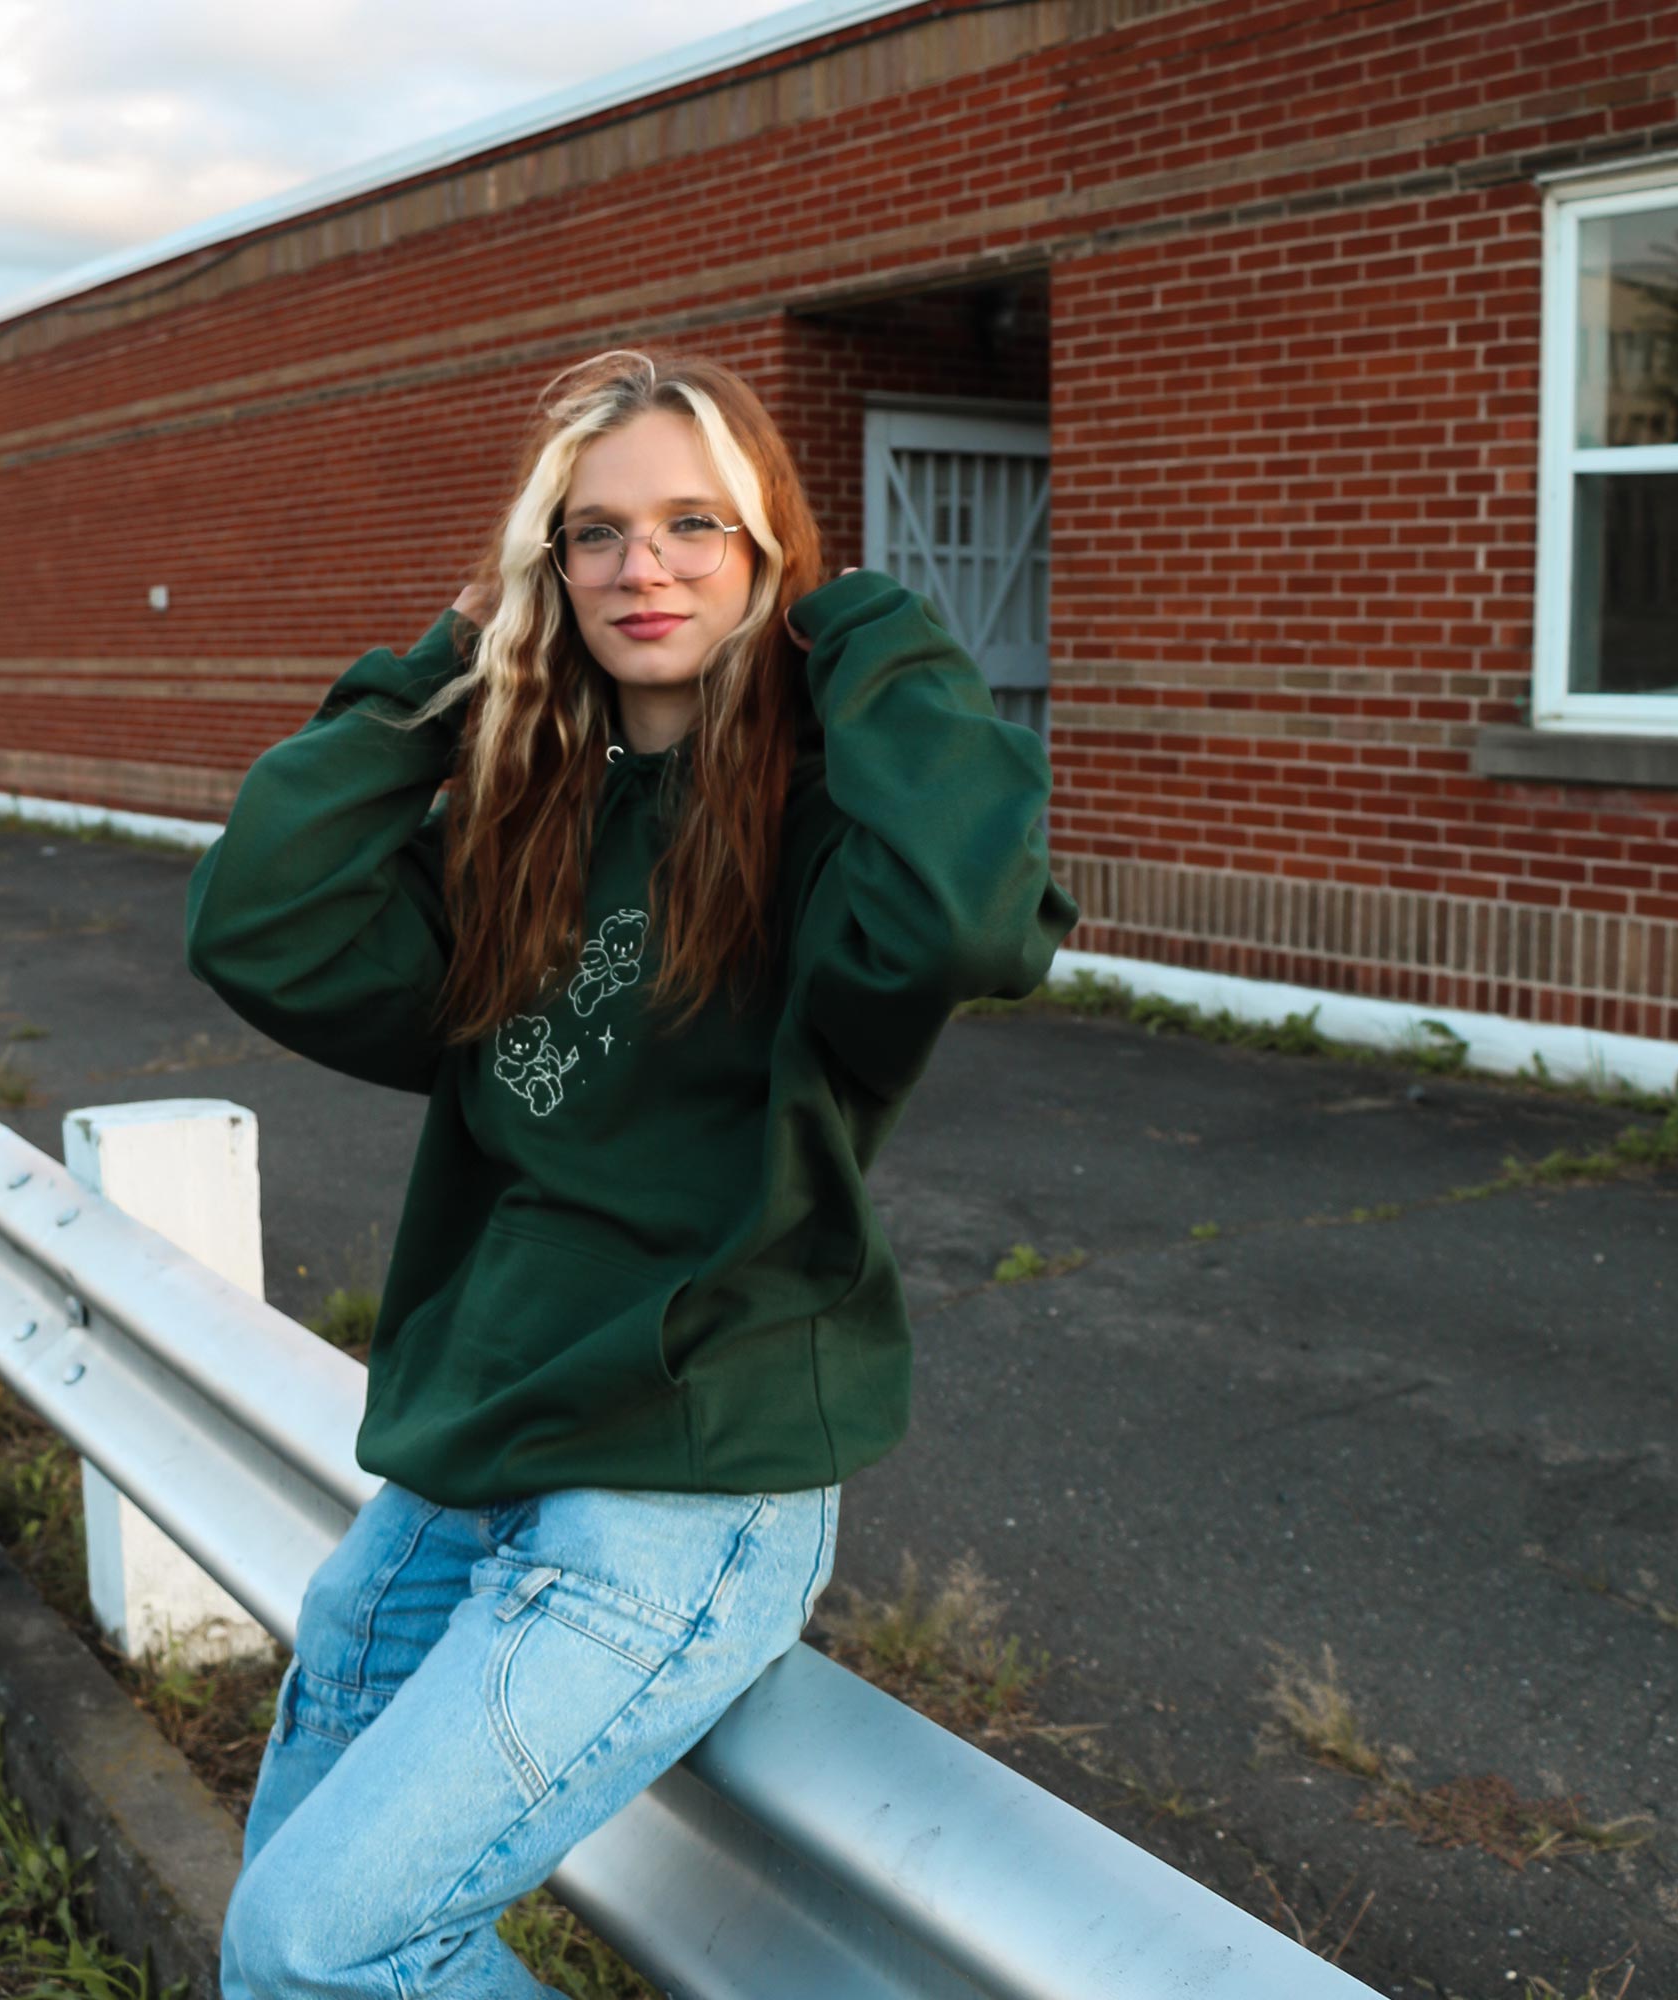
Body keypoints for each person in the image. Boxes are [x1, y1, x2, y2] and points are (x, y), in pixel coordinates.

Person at [183, 348, 1080, 1999]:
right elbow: (261, 923)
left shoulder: (826, 841)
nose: (641, 568)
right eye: (593, 533)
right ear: (549, 568)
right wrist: (448, 669)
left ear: (764, 556)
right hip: (475, 1452)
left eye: (695, 524)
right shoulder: (526, 820)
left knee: (325, 1953)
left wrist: (863, 626)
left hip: (676, 1489)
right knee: (282, 1938)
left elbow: (966, 914)